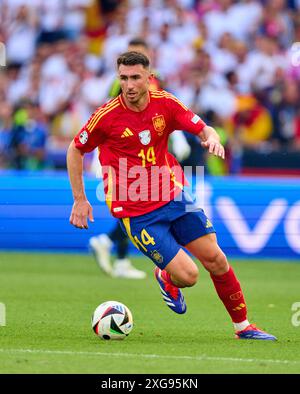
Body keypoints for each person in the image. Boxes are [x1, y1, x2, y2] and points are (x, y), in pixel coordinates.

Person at [67, 51, 276, 340]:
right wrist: (80, 198)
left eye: (135, 78)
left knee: (216, 259)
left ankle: (243, 327)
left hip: (174, 196)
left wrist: (212, 138)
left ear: (148, 78)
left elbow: (203, 128)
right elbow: (75, 149)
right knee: (188, 276)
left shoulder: (165, 104)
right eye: (124, 78)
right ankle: (166, 276)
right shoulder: (106, 116)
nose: (129, 85)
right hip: (137, 212)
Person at [89, 38, 190, 279]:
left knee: (138, 204)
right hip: (122, 153)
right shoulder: (124, 86)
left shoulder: (152, 83)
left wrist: (177, 139)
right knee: (136, 204)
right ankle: (108, 242)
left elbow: (162, 114)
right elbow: (109, 116)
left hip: (146, 151)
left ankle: (121, 259)